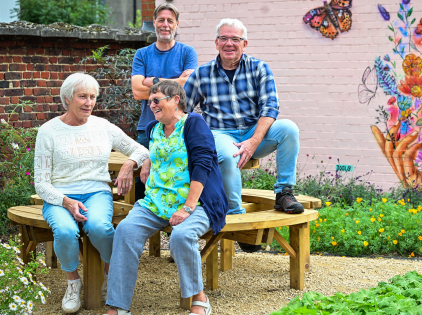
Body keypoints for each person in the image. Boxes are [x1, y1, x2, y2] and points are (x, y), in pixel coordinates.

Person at [104, 81, 227, 315]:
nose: (151, 105)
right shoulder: (153, 128)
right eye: (149, 101)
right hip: (155, 203)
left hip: (197, 203)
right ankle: (117, 307)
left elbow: (203, 166)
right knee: (125, 231)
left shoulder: (193, 124)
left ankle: (199, 299)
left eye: (156, 100)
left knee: (181, 237)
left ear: (175, 100)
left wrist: (187, 208)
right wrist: (140, 163)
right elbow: (145, 150)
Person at [183, 18, 304, 251]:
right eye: (224, 39)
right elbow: (182, 111)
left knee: (289, 129)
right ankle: (240, 222)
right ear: (216, 43)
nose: (230, 43)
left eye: (235, 39)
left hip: (253, 130)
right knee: (227, 155)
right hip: (219, 132)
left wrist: (253, 141)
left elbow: (270, 108)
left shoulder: (259, 68)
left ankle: (284, 193)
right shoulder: (201, 74)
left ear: (244, 43)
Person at [34, 73, 149, 313]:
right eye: (82, 97)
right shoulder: (48, 131)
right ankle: (73, 281)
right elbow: (41, 183)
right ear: (67, 99)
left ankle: (110, 275)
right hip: (59, 196)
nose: (89, 102)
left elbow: (140, 149)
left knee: (100, 227)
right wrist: (66, 202)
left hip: (96, 193)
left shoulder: (102, 126)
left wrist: (129, 164)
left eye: (93, 97)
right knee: (65, 231)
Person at [131, 2, 198, 200]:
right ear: (154, 23)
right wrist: (175, 83)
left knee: (179, 174)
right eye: (161, 20)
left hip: (180, 126)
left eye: (170, 21)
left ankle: (177, 221)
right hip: (148, 126)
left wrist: (153, 81)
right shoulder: (142, 54)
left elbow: (188, 87)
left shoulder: (187, 53)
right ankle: (142, 223)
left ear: (177, 24)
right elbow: (136, 91)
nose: (165, 25)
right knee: (142, 179)